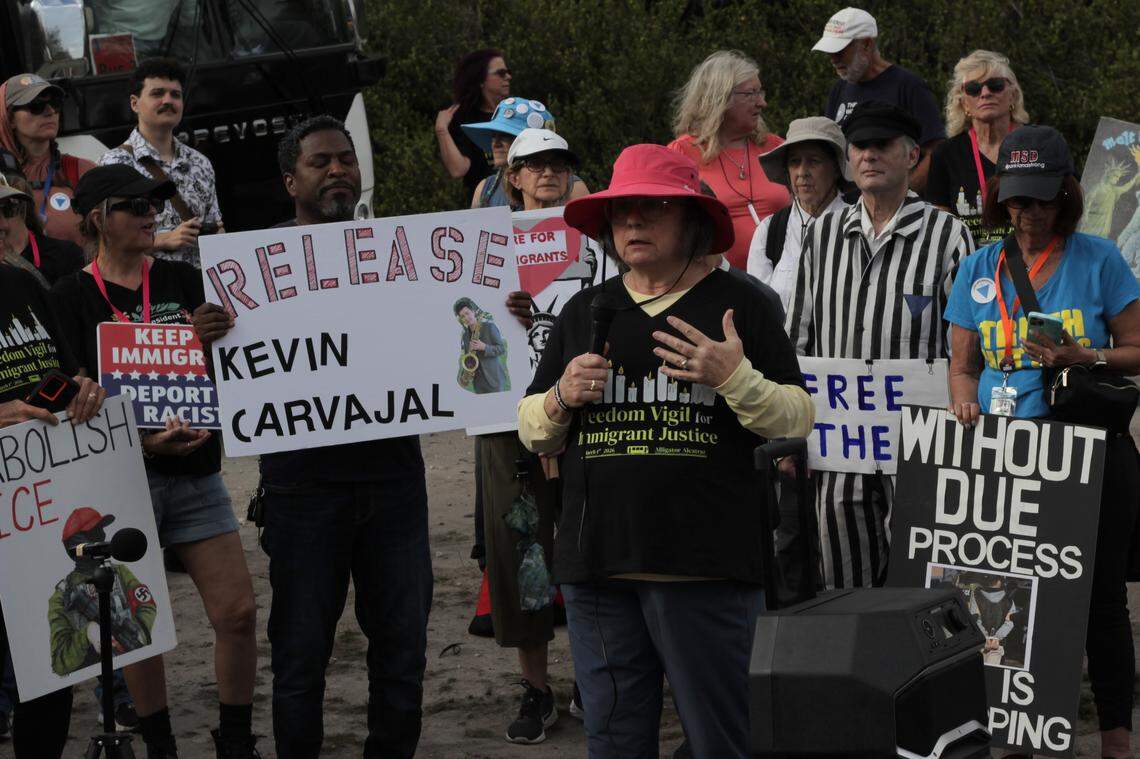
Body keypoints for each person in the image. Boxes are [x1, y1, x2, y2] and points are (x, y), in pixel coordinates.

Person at [517, 143, 814, 757]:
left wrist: (734, 378)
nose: (632, 222)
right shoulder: (586, 309)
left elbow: (796, 418)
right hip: (598, 567)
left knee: (721, 738)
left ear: (691, 220)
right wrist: (562, 397)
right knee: (613, 740)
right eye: (621, 211)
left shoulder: (742, 305)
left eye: (652, 208)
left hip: (705, 566)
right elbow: (532, 429)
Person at [192, 114, 432, 759]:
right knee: (300, 657)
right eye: (320, 162)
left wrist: (505, 313)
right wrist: (205, 340)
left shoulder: (398, 253)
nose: (337, 171)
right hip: (302, 490)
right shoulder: (247, 269)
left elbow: (450, 335)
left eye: (345, 159)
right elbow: (225, 380)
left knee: (402, 651)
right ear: (290, 180)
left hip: (394, 482)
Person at [49, 164, 260, 759]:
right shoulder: (68, 296)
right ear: (99, 219)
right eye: (137, 206)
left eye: (154, 206)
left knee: (238, 612)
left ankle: (236, 741)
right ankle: (161, 745)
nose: (152, 216)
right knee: (136, 629)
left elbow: (225, 367)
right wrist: (136, 437)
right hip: (121, 478)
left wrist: (213, 336)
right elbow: (70, 395)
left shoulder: (181, 280)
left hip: (194, 470)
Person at [945, 124, 1140, 759]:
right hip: (1009, 459)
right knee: (1011, 596)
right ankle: (1022, 732)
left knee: (1101, 601)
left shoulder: (1099, 259)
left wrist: (1086, 355)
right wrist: (963, 399)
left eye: (1043, 199)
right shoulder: (977, 268)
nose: (1029, 213)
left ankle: (1115, 737)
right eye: (1017, 200)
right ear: (1000, 198)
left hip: (1090, 452)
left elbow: (1138, 350)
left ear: (1066, 196)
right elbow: (962, 366)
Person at [785, 102, 974, 589]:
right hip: (838, 445)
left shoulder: (949, 235)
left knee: (926, 578)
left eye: (882, 145)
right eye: (860, 146)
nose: (869, 155)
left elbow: (966, 347)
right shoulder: (821, 233)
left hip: (921, 444)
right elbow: (797, 337)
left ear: (912, 156)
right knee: (844, 579)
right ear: (848, 159)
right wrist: (786, 427)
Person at [480, 127, 599, 744]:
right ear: (514, 176)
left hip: (588, 415)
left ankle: (592, 679)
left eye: (558, 163)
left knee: (589, 542)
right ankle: (536, 687)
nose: (548, 173)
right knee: (521, 548)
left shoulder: (597, 238)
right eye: (535, 164)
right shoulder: (479, 245)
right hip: (507, 423)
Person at [0, 263, 106, 759]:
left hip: (38, 504)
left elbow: (69, 371)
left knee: (47, 673)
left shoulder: (22, 283)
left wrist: (83, 392)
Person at [668, 50, 790, 270]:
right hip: (715, 281)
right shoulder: (682, 153)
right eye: (751, 93)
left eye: (760, 92)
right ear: (720, 98)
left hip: (783, 279)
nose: (762, 102)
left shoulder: (776, 147)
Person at [100, 58, 223, 268]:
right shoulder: (113, 163)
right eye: (157, 93)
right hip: (146, 284)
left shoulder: (200, 163)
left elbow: (217, 227)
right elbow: (104, 240)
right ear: (134, 103)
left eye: (175, 94)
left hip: (200, 282)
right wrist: (162, 240)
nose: (168, 100)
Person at [813, 7, 944, 194]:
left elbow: (936, 151)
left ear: (867, 44)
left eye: (840, 50)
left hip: (898, 204)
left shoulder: (908, 86)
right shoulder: (839, 89)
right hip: (848, 205)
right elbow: (829, 151)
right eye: (829, 52)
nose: (833, 59)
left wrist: (905, 194)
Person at [747, 117, 852, 310]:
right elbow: (760, 307)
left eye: (814, 161)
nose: (802, 172)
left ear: (836, 168)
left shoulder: (857, 226)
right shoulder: (770, 230)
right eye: (795, 162)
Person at [927, 50, 1029, 246]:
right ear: (964, 103)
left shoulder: (1037, 144)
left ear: (1013, 96)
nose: (985, 93)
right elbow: (940, 229)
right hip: (968, 260)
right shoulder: (946, 154)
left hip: (1030, 258)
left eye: (996, 85)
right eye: (973, 89)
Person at [0, 73, 95, 247]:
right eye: (36, 106)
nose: (50, 111)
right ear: (9, 118)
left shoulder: (81, 170)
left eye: (55, 104)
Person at [464, 98, 589, 209]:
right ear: (514, 179)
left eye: (506, 136)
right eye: (493, 136)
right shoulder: (485, 188)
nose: (495, 144)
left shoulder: (572, 187)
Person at [435, 49, 512, 200]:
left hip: (522, 197)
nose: (508, 77)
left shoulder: (513, 112)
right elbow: (458, 170)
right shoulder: (462, 119)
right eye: (501, 73)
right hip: (485, 202)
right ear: (481, 79)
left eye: (508, 72)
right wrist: (441, 130)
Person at [455, 296, 511, 394]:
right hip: (478, 382)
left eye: (467, 313)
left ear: (473, 312)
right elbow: (468, 357)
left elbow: (502, 349)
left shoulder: (490, 327)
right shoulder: (465, 336)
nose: (466, 318)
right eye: (462, 316)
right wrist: (466, 373)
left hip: (494, 379)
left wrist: (485, 347)